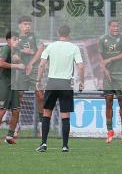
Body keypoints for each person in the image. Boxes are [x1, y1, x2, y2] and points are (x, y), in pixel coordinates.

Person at [36, 25, 85, 153]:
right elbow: (81, 66)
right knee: (65, 116)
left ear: (58, 33)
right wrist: (81, 82)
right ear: (69, 34)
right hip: (66, 84)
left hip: (52, 82)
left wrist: (38, 81)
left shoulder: (50, 46)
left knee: (47, 113)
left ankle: (44, 144)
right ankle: (64, 146)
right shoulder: (74, 47)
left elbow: (42, 64)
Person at [99, 20, 122, 144]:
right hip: (108, 76)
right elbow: (101, 57)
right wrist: (105, 69)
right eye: (114, 26)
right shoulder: (103, 39)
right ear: (109, 27)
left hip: (121, 76)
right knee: (109, 102)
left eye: (118, 26)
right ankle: (110, 131)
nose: (116, 28)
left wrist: (110, 59)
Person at [0, 32, 22, 145]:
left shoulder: (16, 50)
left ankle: (9, 136)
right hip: (4, 84)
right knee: (2, 109)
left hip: (13, 85)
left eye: (18, 39)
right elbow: (1, 64)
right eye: (14, 39)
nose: (17, 41)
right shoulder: (6, 48)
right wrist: (16, 65)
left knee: (16, 110)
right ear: (8, 40)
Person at [13, 16, 41, 138]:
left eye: (29, 24)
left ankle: (41, 126)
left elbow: (41, 50)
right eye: (25, 24)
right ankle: (16, 126)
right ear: (19, 25)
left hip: (35, 70)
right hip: (21, 71)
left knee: (40, 95)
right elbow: (13, 55)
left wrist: (30, 63)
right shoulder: (16, 39)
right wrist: (17, 57)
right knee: (18, 96)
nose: (27, 26)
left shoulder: (35, 36)